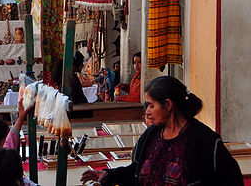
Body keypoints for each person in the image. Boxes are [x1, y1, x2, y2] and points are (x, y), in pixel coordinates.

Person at [81, 76, 242, 186]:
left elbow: (231, 180)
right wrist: (109, 175)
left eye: (151, 105)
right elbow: (138, 170)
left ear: (168, 105)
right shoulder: (151, 136)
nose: (147, 112)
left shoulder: (205, 141)